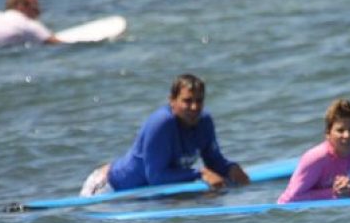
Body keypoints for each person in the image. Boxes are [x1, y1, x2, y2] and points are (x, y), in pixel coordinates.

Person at [80, 74, 250, 196]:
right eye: (187, 101)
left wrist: (230, 169)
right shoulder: (161, 123)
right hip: (108, 188)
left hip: (142, 196)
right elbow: (156, 177)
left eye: (199, 101)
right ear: (172, 101)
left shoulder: (204, 121)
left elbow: (214, 160)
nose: (194, 107)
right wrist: (200, 174)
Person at [277, 99, 350, 204]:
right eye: (340, 130)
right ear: (328, 133)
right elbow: (291, 200)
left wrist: (349, 193)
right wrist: (335, 193)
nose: (347, 135)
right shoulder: (315, 158)